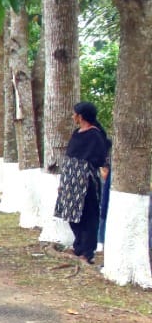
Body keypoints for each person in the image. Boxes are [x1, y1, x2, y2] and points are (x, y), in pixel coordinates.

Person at [55, 102, 110, 264]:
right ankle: (78, 246)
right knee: (71, 214)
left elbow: (100, 158)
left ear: (81, 116)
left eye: (74, 114)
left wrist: (84, 169)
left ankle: (87, 251)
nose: (73, 117)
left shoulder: (95, 135)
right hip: (70, 180)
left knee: (88, 215)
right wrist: (64, 181)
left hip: (86, 181)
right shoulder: (76, 133)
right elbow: (70, 156)